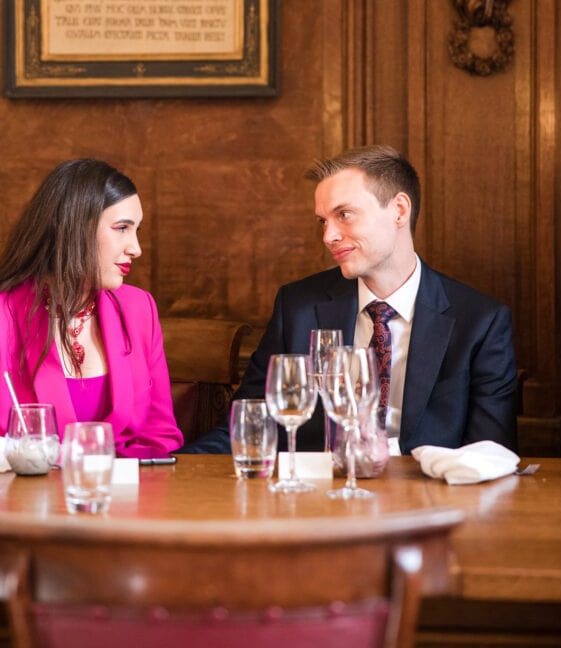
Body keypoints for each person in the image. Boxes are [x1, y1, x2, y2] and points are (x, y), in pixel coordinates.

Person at [181, 145, 518, 455]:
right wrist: (170, 475)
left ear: (399, 210)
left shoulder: (480, 321)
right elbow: (249, 422)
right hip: (319, 505)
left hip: (431, 505)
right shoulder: (297, 306)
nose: (328, 236)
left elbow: (490, 455)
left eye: (344, 215)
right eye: (323, 221)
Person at [0, 158, 183, 458]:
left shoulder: (139, 309)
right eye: (122, 229)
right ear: (74, 228)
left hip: (125, 499)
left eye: (136, 230)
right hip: (20, 501)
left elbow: (159, 439)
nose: (136, 248)